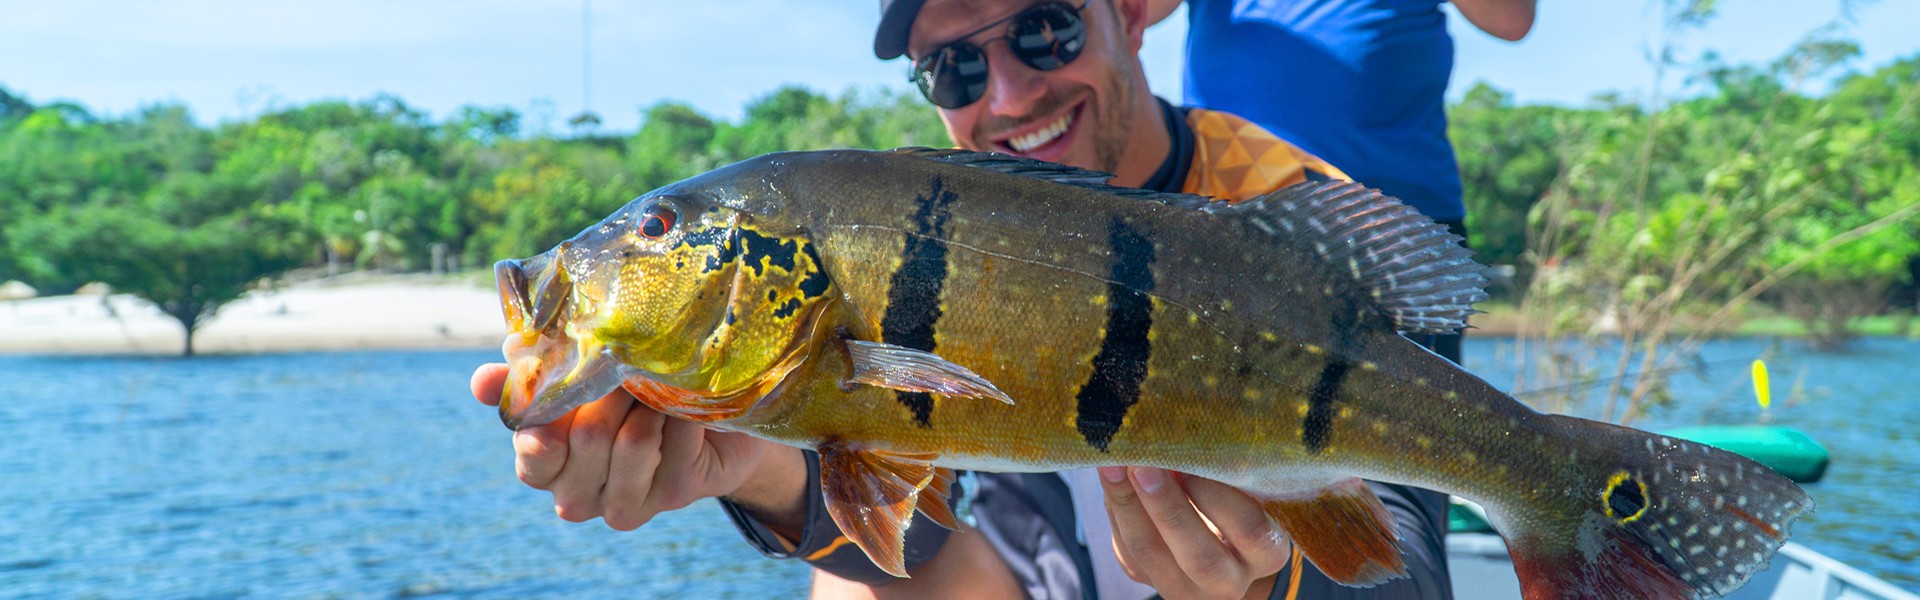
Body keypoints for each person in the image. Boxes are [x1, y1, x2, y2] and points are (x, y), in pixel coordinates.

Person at [470, 0, 1457, 597]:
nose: (1011, 95)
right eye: (955, 66)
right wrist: (761, 468)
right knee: (853, 585)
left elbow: (1407, 557)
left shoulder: (1295, 208)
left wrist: (1266, 581)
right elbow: (928, 543)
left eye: (1045, 29)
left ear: (1135, 11)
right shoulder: (916, 239)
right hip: (1047, 553)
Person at [1148, 0, 1538, 363]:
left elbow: (1511, 19)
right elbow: (1134, 12)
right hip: (1231, 216)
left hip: (1397, 228)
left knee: (1419, 420)